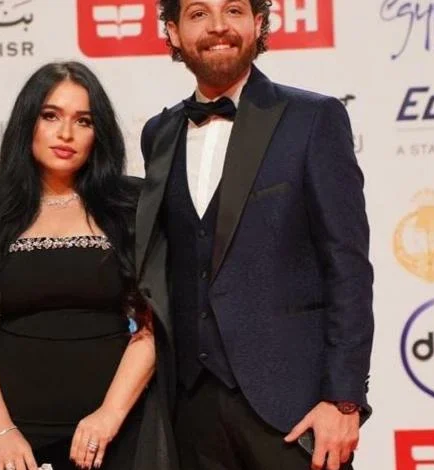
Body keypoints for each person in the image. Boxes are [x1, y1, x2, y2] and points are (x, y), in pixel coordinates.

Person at [135, 1, 375, 469]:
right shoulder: (158, 134)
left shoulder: (313, 118)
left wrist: (344, 400)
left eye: (234, 10)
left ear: (258, 23)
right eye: (199, 13)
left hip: (295, 411)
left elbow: (347, 267)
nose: (218, 27)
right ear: (173, 31)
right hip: (191, 411)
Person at [0, 61, 177, 470]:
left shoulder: (131, 205)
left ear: (99, 133)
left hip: (114, 429)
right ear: (28, 123)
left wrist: (109, 416)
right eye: (51, 116)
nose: (66, 133)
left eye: (83, 121)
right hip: (11, 434)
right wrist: (1, 432)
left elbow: (154, 325)